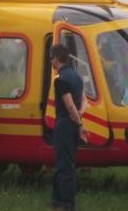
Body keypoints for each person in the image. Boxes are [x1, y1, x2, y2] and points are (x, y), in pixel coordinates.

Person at [50, 44, 88, 211]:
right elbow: (84, 101)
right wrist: (80, 118)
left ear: (57, 59)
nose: (51, 61)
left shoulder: (60, 80)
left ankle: (67, 204)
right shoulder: (76, 77)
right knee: (64, 162)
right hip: (73, 123)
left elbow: (69, 105)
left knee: (64, 165)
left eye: (51, 58)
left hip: (65, 123)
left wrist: (78, 120)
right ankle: (57, 201)